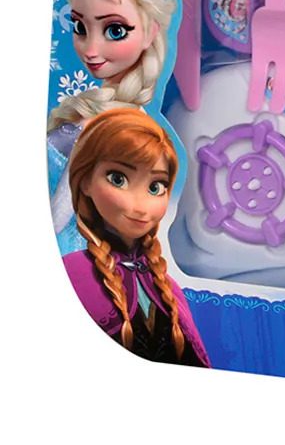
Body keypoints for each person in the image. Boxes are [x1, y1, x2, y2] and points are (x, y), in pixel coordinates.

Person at [48, 0, 176, 247]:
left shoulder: (108, 128)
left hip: (69, 250)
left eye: (115, 30)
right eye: (80, 27)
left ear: (151, 32)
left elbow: (58, 215)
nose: (91, 50)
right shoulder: (101, 114)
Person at [62, 109, 209, 367]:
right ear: (85, 181)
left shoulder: (167, 287)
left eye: (155, 187)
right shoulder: (73, 273)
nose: (141, 206)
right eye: (118, 179)